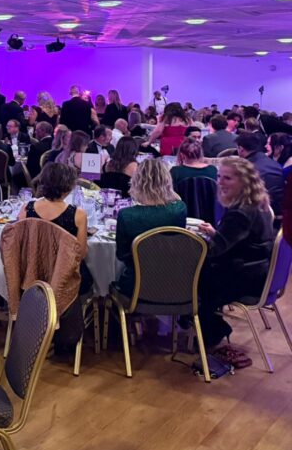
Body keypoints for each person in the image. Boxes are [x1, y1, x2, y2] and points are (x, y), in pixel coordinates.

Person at [197, 157, 277, 360]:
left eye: (227, 178)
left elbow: (215, 250)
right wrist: (217, 233)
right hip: (259, 271)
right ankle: (208, 328)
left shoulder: (241, 212)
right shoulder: (258, 203)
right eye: (219, 176)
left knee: (192, 281)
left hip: (244, 277)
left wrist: (192, 240)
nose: (220, 182)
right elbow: (241, 240)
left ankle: (212, 331)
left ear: (244, 181)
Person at [16, 162, 91, 350]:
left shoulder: (26, 209)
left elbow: (20, 245)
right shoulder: (78, 215)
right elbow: (80, 254)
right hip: (63, 278)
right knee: (91, 278)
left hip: (33, 274)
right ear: (69, 187)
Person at [114, 159, 188, 296]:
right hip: (174, 283)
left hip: (137, 285)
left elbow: (121, 255)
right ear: (167, 181)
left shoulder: (127, 215)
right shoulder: (179, 210)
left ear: (136, 181)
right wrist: (168, 192)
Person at [236, 132, 285, 219]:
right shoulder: (275, 164)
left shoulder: (245, 169)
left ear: (241, 149)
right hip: (280, 210)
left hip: (259, 213)